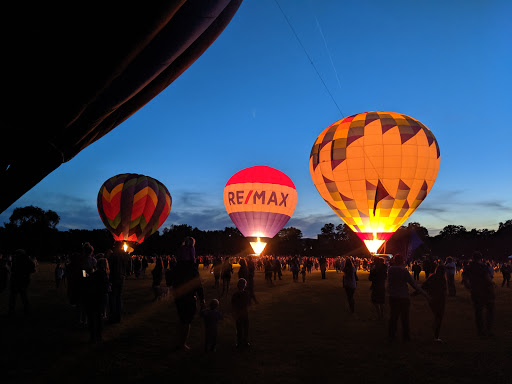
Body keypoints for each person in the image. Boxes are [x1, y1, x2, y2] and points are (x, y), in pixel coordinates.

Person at [172, 236, 205, 350]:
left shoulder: (176, 267)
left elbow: (171, 280)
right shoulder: (191, 267)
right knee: (187, 320)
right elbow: (198, 284)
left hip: (178, 295)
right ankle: (182, 343)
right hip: (189, 296)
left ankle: (178, 341)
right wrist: (202, 299)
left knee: (181, 319)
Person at [387, 253, 430, 342]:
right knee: (404, 318)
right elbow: (414, 284)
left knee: (393, 317)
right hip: (403, 296)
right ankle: (406, 337)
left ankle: (391, 335)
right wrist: (424, 294)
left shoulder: (390, 270)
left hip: (393, 296)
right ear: (403, 261)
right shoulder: (404, 271)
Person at [463, 251, 495, 337]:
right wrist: (492, 284)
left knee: (478, 312)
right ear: (480, 258)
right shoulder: (482, 266)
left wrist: (468, 286)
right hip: (485, 290)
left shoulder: (468, 267)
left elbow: (464, 278)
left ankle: (480, 331)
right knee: (490, 310)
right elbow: (487, 278)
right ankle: (488, 330)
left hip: (475, 291)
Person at [84, 258, 110, 343]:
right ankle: (99, 335)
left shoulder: (96, 274)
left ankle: (93, 336)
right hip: (102, 298)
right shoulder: (106, 274)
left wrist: (84, 271)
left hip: (94, 297)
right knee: (99, 317)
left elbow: (86, 279)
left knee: (92, 317)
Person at [420, 264, 447, 342]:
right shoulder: (442, 279)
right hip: (440, 300)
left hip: (432, 299)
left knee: (437, 316)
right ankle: (436, 336)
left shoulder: (432, 277)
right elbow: (444, 291)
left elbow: (424, 286)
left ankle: (435, 332)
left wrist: (415, 293)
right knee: (439, 317)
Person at [107, 243, 131, 323]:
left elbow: (109, 266)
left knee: (113, 297)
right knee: (119, 297)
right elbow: (128, 265)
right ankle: (118, 316)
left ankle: (113, 315)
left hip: (114, 277)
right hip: (122, 277)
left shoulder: (114, 255)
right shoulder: (125, 255)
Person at [7, 249, 36, 316]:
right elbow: (33, 269)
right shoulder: (26, 260)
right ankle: (26, 309)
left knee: (14, 296)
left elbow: (12, 269)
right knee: (23, 295)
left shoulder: (16, 259)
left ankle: (12, 310)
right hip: (23, 280)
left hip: (17, 280)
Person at [231, 278, 251, 349]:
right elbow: (248, 303)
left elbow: (233, 304)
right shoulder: (247, 294)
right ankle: (245, 342)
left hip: (238, 313)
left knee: (239, 328)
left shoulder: (235, 295)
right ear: (245, 285)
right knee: (245, 328)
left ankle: (239, 342)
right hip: (245, 313)